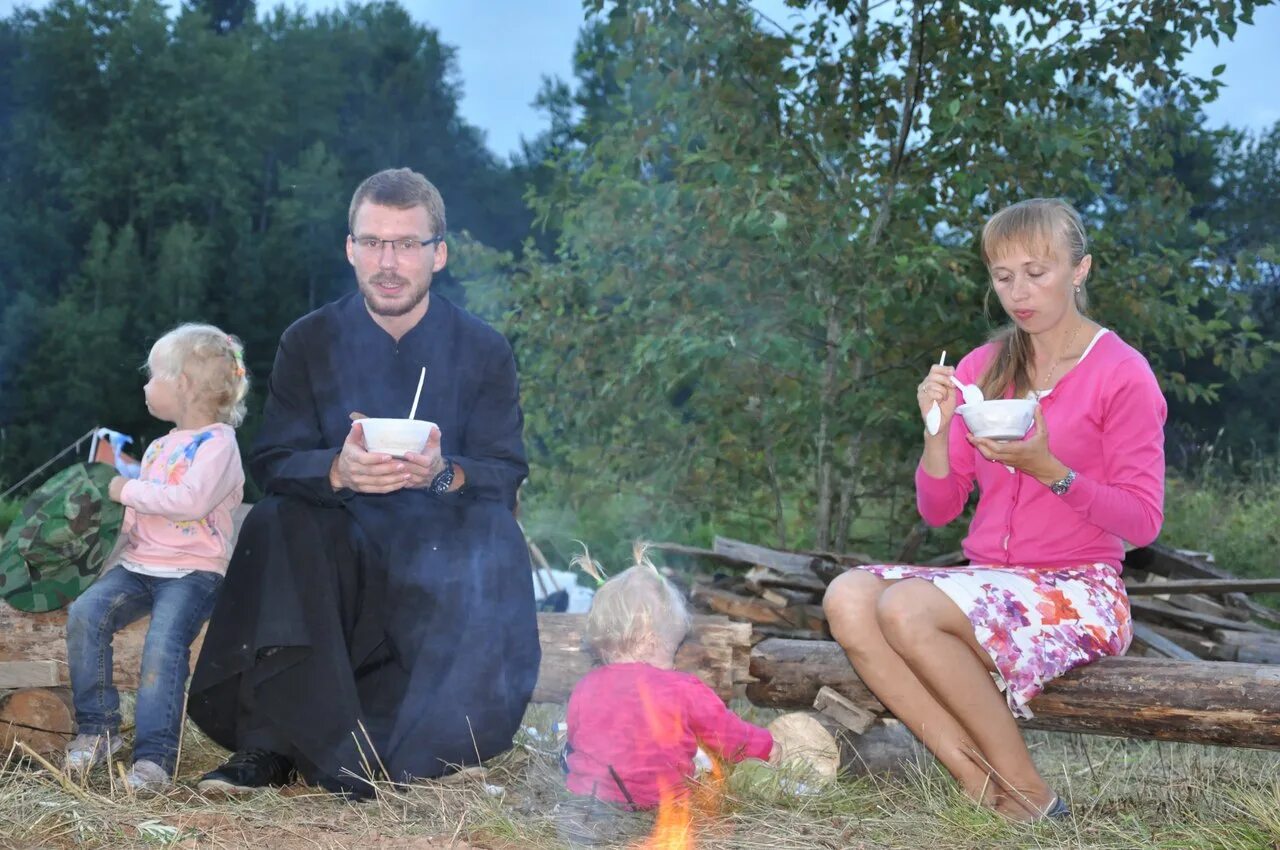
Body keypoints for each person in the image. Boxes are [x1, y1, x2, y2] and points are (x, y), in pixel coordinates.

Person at [187, 168, 540, 797]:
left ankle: (429, 747)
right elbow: (273, 460)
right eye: (373, 242)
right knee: (276, 520)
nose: (389, 262)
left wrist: (442, 473)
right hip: (337, 549)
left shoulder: (484, 350)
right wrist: (336, 468)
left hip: (438, 550)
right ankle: (270, 742)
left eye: (407, 244)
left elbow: (505, 470)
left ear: (439, 253)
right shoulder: (310, 340)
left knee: (492, 531)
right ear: (350, 248)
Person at [823, 198, 1166, 821]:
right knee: (846, 595)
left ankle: (1031, 795)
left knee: (905, 606)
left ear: (1080, 269)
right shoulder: (983, 368)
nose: (1018, 292)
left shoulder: (1123, 374)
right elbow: (939, 509)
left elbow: (1143, 523)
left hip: (1080, 589)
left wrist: (1049, 470)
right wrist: (935, 427)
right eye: (1003, 276)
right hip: (989, 582)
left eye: (1038, 272)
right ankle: (979, 786)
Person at [64, 324, 248, 791]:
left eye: (152, 376)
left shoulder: (219, 444)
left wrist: (126, 488)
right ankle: (98, 728)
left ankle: (154, 760)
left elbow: (189, 500)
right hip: (140, 565)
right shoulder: (161, 446)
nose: (145, 386)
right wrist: (111, 553)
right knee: (86, 613)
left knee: (163, 645)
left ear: (182, 383)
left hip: (192, 571)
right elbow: (136, 521)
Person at [563, 544, 775, 808]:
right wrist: (768, 746)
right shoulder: (682, 688)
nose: (673, 665)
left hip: (586, 801)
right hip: (659, 805)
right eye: (672, 652)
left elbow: (575, 736)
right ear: (651, 642)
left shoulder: (586, 686)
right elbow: (729, 736)